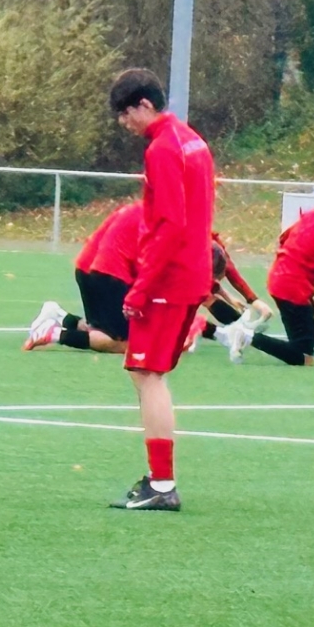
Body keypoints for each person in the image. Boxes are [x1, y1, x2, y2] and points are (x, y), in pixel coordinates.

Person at [108, 68, 215, 513]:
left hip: (169, 278)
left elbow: (170, 223)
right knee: (148, 373)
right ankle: (159, 478)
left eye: (125, 113)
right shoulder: (192, 140)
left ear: (145, 104)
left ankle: (162, 483)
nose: (123, 123)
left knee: (147, 374)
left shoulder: (164, 149)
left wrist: (141, 286)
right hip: (191, 272)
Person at [226, 174, 314, 366]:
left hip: (279, 276)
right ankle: (246, 336)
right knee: (304, 357)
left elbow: (284, 238)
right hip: (292, 288)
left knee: (309, 309)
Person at [24, 201, 147, 353]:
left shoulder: (136, 208)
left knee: (100, 329)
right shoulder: (161, 220)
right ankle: (53, 334)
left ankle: (60, 316)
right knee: (124, 343)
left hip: (87, 266)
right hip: (108, 273)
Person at [198, 234, 269, 343]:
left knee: (203, 297)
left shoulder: (212, 247)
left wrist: (251, 299)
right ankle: (235, 330)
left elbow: (227, 269)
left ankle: (240, 329)